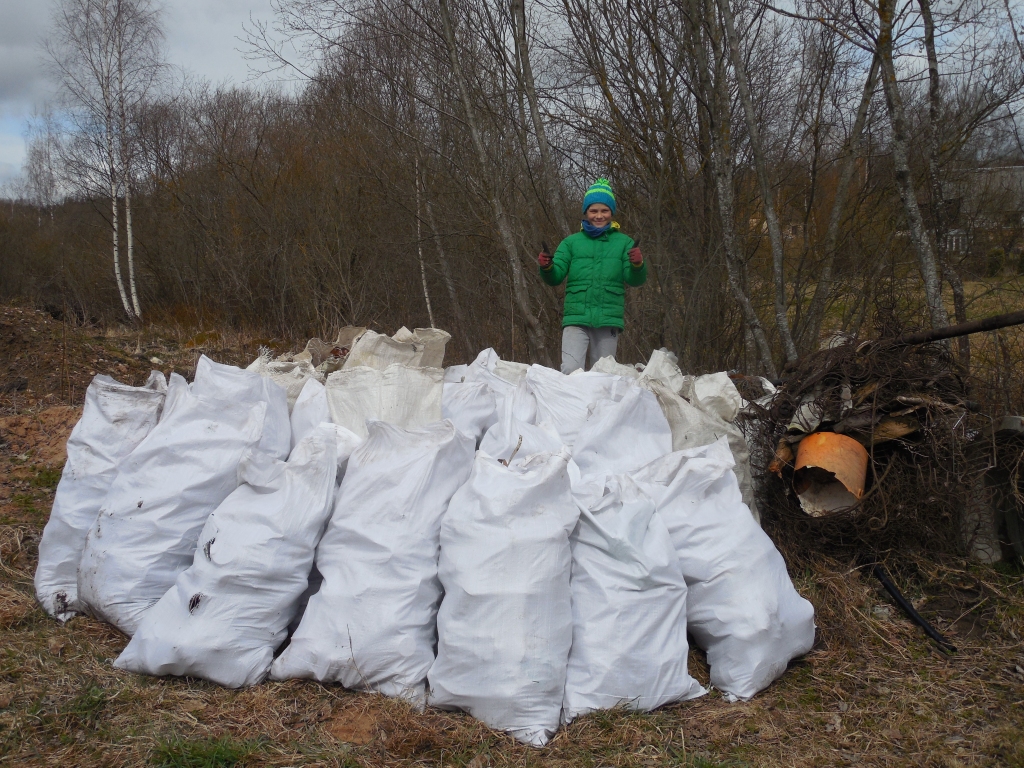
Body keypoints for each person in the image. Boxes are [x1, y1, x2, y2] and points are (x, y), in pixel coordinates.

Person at [538, 178, 646, 374]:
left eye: (604, 210)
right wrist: (547, 268)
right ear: (586, 212)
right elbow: (555, 277)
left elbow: (634, 280)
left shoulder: (625, 243)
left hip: (608, 319)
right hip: (575, 317)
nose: (599, 215)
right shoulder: (570, 243)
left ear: (611, 212)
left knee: (603, 374)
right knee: (571, 370)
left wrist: (637, 265)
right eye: (593, 211)